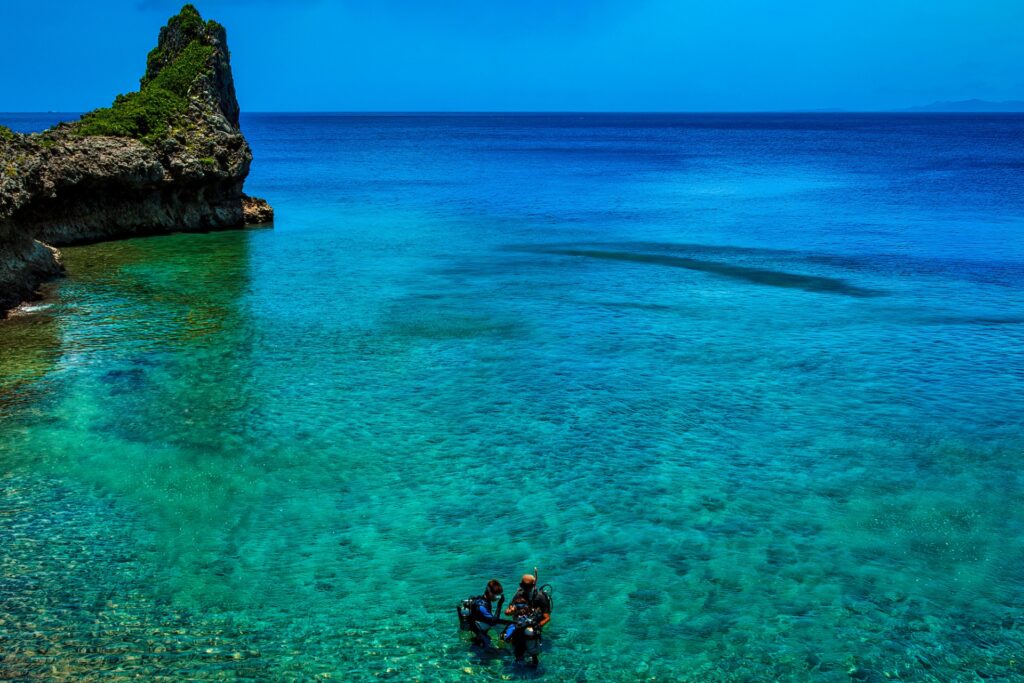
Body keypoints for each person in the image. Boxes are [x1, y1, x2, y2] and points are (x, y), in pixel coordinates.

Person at [503, 572, 551, 666]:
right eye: (522, 585)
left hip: (535, 623)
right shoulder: (519, 594)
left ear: (533, 585)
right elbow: (508, 611)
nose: (524, 588)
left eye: (526, 586)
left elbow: (547, 617)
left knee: (530, 639)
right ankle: (518, 656)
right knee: (516, 641)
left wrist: (538, 625)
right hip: (521, 622)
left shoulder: (540, 597)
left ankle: (534, 658)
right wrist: (510, 612)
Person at [467, 579, 504, 649]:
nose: (498, 598)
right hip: (478, 630)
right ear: (490, 593)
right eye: (497, 595)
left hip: (479, 626)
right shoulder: (482, 606)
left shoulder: (484, 600)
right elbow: (493, 622)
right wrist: (499, 605)